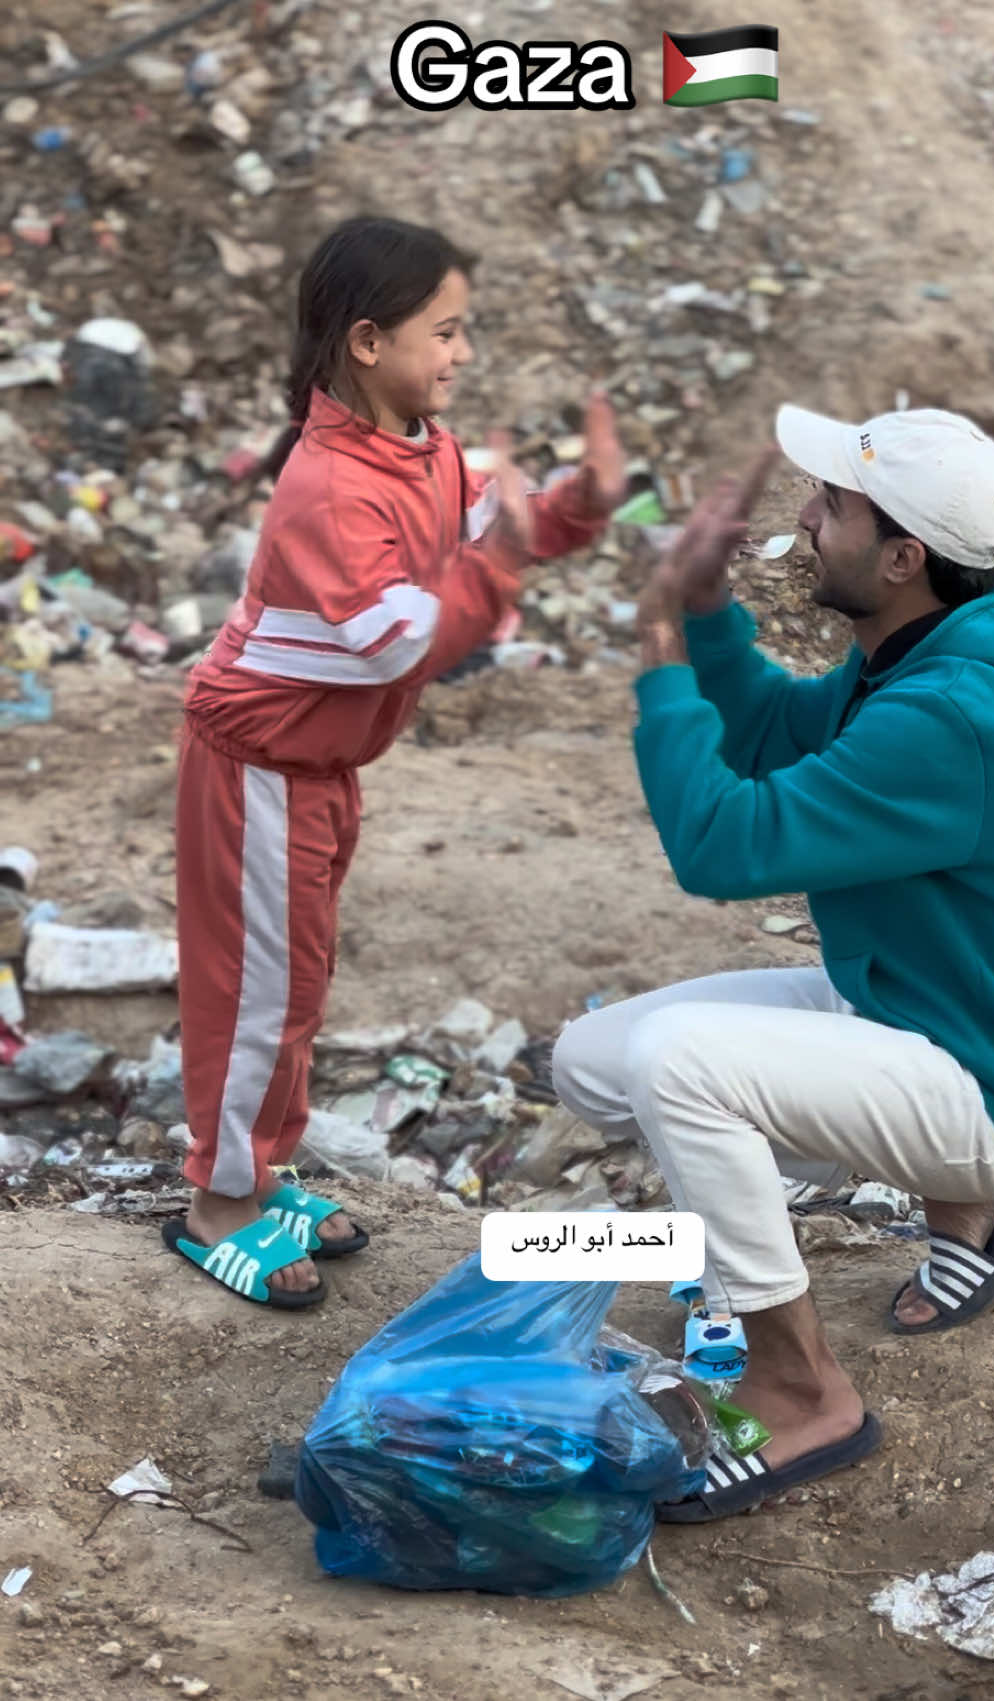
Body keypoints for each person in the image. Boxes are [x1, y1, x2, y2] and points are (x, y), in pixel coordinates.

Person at [551, 405, 994, 1521]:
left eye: (832, 509)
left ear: (903, 558)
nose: (806, 522)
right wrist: (712, 610)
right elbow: (773, 735)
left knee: (677, 1063)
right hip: (926, 1008)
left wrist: (661, 646)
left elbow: (724, 844)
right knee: (594, 1061)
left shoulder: (957, 711)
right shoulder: (934, 645)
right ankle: (966, 1210)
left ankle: (799, 1386)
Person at [166, 215, 625, 1308]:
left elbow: (487, 523)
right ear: (367, 342)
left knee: (296, 986)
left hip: (320, 768)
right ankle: (216, 1206)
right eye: (447, 332)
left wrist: (573, 508)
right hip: (256, 766)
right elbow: (399, 640)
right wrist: (508, 555)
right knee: (253, 995)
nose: (462, 355)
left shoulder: (426, 448)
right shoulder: (328, 485)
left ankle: (259, 1172)